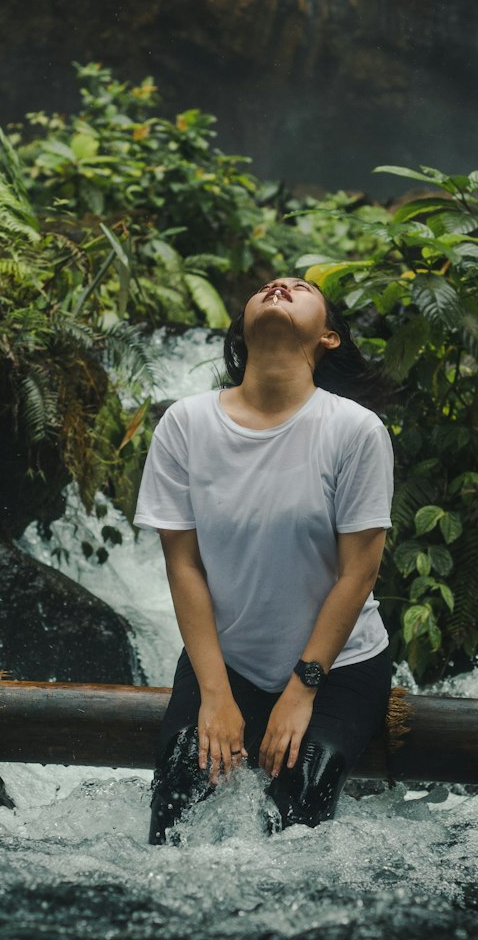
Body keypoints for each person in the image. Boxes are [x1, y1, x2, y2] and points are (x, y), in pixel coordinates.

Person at [133, 275, 395, 844]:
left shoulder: (354, 431)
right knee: (176, 806)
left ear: (328, 337)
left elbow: (359, 573)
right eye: (267, 286)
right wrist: (216, 694)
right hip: (227, 662)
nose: (279, 286)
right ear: (242, 326)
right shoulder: (186, 424)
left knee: (301, 805)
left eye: (299, 287)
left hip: (338, 669)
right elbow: (184, 567)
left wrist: (301, 692)